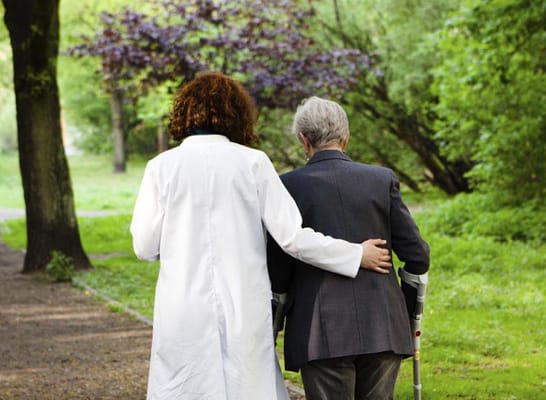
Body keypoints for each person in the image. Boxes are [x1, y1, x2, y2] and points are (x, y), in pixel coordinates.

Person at [130, 73, 393, 400]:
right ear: (237, 114)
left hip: (184, 306)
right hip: (244, 304)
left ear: (183, 112)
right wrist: (355, 254)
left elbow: (143, 246)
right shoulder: (253, 163)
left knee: (186, 387)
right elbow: (292, 239)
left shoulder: (161, 168)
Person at [267, 96, 430, 400]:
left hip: (319, 331)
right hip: (383, 325)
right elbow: (418, 256)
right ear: (346, 137)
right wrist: (404, 309)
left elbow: (279, 270)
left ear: (304, 140)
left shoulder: (287, 186)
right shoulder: (381, 179)